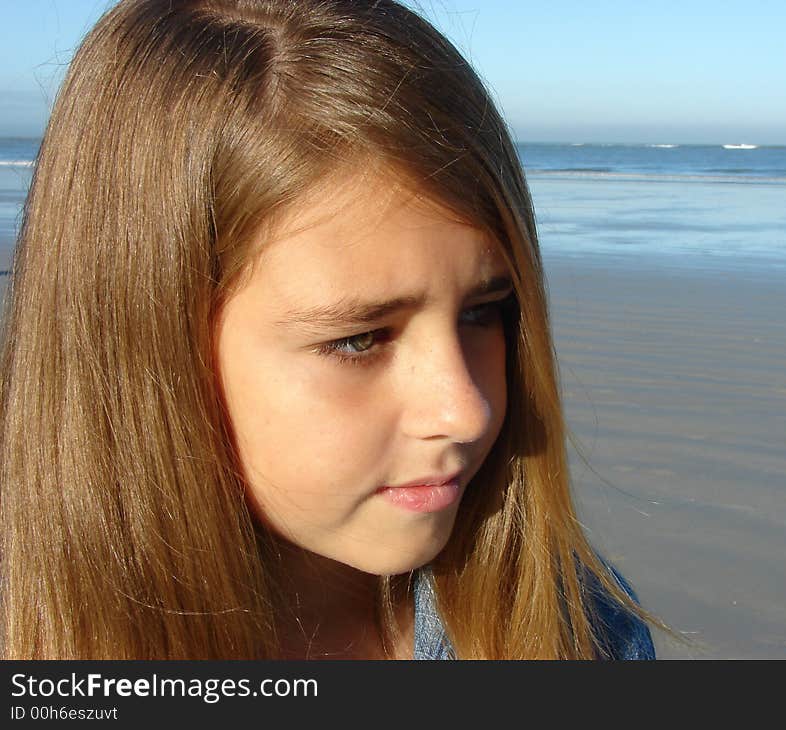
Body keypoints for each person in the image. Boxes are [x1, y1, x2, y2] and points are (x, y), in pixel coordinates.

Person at [0, 0, 658, 659]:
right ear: (143, 341)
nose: (465, 411)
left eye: (483, 313)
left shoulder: (581, 635)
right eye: (360, 339)